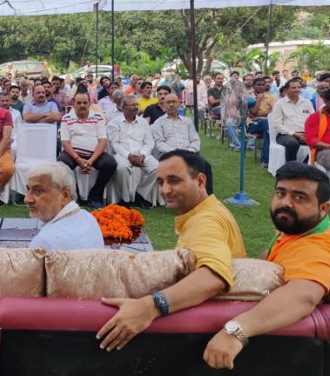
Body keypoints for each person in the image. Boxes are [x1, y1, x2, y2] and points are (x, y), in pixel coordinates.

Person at [204, 162, 330, 370]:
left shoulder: (316, 247)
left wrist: (235, 331)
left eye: (300, 197)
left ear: (323, 208)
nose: (286, 203)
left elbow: (304, 296)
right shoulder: (301, 226)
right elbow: (269, 256)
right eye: (281, 193)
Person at [97, 149, 245, 352]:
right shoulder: (207, 211)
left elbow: (214, 276)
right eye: (161, 182)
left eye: (174, 180)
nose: (165, 190)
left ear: (200, 181)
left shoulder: (205, 222)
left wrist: (150, 307)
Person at [57, 90, 117, 209]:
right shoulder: (66, 118)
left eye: (85, 102)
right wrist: (78, 159)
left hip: (94, 154)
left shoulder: (98, 117)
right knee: (62, 162)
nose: (82, 105)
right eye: (79, 103)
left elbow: (103, 141)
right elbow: (65, 142)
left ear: (90, 104)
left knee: (110, 163)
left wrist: (91, 161)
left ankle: (95, 196)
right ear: (74, 104)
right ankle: (74, 196)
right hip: (73, 153)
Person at [25, 162, 104, 250]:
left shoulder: (43, 242)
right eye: (28, 189)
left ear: (65, 195)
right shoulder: (89, 218)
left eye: (38, 191)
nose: (27, 199)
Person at [108, 96, 158, 208]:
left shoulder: (143, 122)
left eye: (137, 105)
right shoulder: (114, 123)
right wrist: (128, 155)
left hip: (141, 153)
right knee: (121, 169)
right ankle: (125, 200)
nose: (136, 107)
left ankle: (140, 194)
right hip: (122, 154)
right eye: (133, 105)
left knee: (157, 168)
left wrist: (143, 154)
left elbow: (149, 142)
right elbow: (115, 144)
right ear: (124, 108)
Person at [269, 78, 314, 163]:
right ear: (286, 90)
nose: (297, 89)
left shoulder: (307, 102)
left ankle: (304, 166)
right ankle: (291, 168)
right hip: (286, 135)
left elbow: (314, 120)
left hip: (305, 133)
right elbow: (277, 125)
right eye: (293, 87)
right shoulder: (279, 104)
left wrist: (309, 133)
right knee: (292, 143)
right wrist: (294, 134)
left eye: (298, 87)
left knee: (321, 142)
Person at [248, 77, 276, 167]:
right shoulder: (249, 97)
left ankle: (267, 159)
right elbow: (253, 114)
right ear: (253, 86)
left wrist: (260, 114)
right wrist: (259, 100)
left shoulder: (271, 97)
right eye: (258, 85)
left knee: (268, 129)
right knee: (267, 125)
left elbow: (275, 112)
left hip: (267, 123)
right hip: (253, 124)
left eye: (263, 85)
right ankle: (266, 160)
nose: (261, 87)